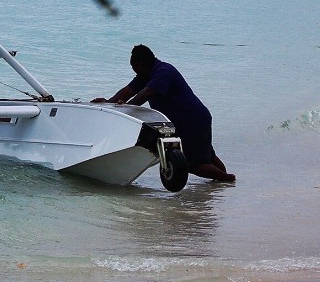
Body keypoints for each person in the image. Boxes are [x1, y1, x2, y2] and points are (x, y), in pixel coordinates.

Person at [94, 45, 234, 182]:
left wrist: (126, 108)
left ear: (139, 64)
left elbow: (146, 93)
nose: (134, 72)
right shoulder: (146, 74)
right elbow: (129, 90)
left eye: (134, 67)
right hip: (191, 119)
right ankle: (224, 183)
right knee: (208, 156)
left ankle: (227, 179)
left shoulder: (164, 72)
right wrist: (109, 102)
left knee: (193, 165)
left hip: (192, 120)